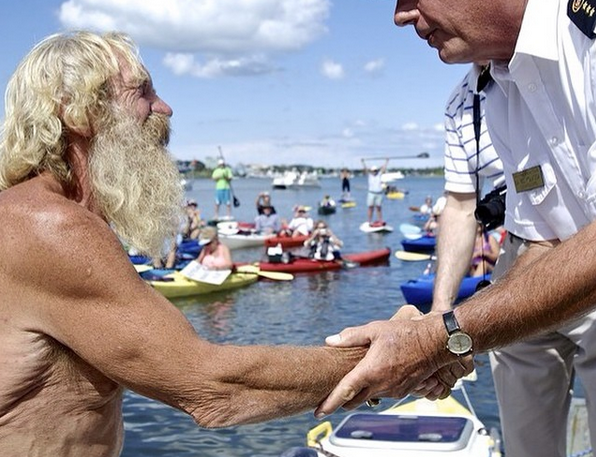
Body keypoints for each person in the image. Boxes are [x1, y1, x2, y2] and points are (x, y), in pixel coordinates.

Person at [318, 0, 596, 456]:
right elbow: (540, 232)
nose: (401, 14)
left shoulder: (586, 24)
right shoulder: (492, 84)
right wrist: (443, 329)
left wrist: (442, 337)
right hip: (546, 267)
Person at [0, 30, 371, 456]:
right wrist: (391, 358)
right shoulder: (46, 226)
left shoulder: (43, 221)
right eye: (143, 92)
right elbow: (212, 389)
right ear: (78, 113)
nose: (165, 107)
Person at [432, 67, 505, 312]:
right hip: (520, 246)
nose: (405, 25)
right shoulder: (459, 103)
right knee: (508, 350)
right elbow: (461, 206)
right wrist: (440, 309)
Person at [361, 158, 388, 224]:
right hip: (371, 193)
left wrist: (386, 161)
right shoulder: (370, 175)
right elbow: (365, 169)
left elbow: (383, 168)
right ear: (371, 171)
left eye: (375, 170)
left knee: (378, 208)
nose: (374, 172)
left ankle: (380, 220)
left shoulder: (379, 175)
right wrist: (363, 162)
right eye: (373, 171)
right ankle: (369, 221)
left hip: (379, 193)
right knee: (370, 207)